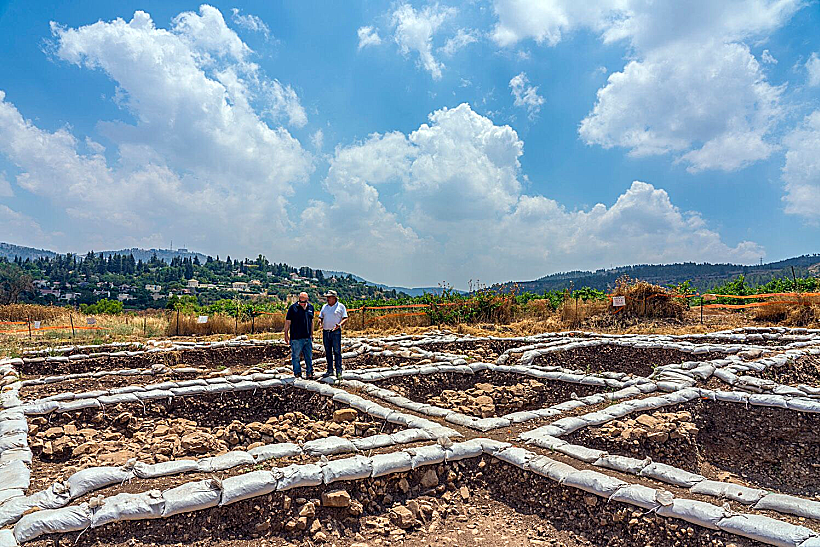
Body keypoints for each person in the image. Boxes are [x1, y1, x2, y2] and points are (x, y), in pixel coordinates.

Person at [284, 292, 314, 378]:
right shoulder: (293, 308)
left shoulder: (311, 308)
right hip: (296, 338)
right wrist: (286, 334)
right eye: (301, 301)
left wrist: (312, 334)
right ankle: (297, 373)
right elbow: (288, 322)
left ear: (307, 300)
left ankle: (309, 372)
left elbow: (311, 322)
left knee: (308, 356)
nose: (302, 303)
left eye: (304, 302)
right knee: (296, 356)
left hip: (307, 337)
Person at [319, 290, 348, 380]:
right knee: (328, 352)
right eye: (327, 297)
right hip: (326, 331)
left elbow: (345, 318)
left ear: (334, 298)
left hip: (335, 332)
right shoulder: (324, 307)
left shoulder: (341, 306)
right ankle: (330, 370)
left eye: (329, 297)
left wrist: (339, 325)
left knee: (337, 351)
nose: (327, 299)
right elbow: (321, 316)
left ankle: (339, 371)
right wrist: (320, 322)